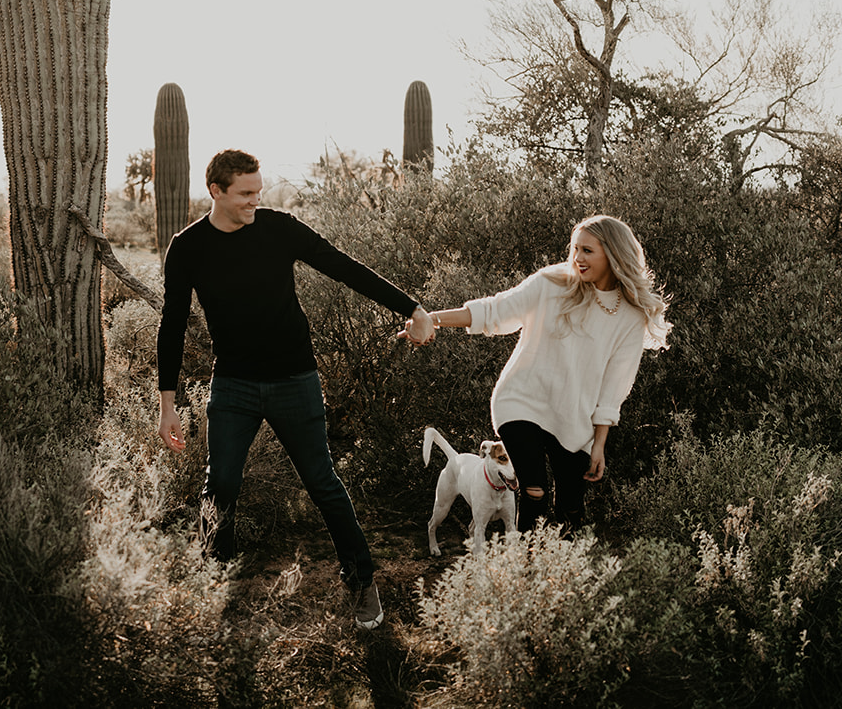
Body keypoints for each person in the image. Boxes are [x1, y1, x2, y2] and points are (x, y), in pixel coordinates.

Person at [156, 149, 434, 630]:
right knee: (219, 485)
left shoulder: (278, 228)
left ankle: (362, 583)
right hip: (234, 385)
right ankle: (212, 588)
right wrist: (167, 404)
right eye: (245, 194)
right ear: (216, 191)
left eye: (258, 193)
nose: (254, 202)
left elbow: (343, 266)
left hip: (294, 381)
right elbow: (172, 324)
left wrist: (411, 307)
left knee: (323, 483)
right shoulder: (188, 247)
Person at [414, 215, 670, 532]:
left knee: (570, 513)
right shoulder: (553, 283)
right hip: (520, 401)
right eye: (575, 248)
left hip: (574, 421)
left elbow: (614, 387)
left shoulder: (630, 316)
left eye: (587, 250)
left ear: (613, 254)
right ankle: (523, 571)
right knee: (534, 492)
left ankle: (552, 574)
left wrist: (599, 444)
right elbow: (495, 311)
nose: (577, 258)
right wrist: (431, 319)